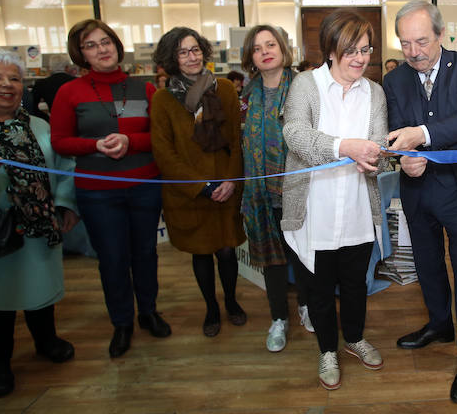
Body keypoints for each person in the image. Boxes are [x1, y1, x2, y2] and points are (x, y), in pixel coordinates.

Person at [383, 0, 457, 404]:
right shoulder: (395, 80)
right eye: (405, 43)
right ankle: (439, 324)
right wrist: (404, 157)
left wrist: (420, 135)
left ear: (440, 34)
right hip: (418, 192)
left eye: (421, 41)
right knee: (428, 265)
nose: (413, 51)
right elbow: (395, 129)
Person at [0, 47, 79, 397]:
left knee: (40, 289)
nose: (8, 85)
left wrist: (66, 204)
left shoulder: (38, 125)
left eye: (15, 79)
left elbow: (65, 169)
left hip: (39, 226)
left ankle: (46, 341)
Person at [281, 9, 388, 390]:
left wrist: (375, 157)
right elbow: (295, 134)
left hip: (358, 208)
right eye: (351, 51)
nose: (360, 58)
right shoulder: (306, 86)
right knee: (319, 288)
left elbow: (378, 141)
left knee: (357, 282)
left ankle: (355, 337)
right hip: (316, 208)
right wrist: (344, 146)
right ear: (330, 51)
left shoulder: (374, 91)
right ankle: (328, 349)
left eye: (365, 50)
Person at [51, 19, 170, 359]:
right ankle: (122, 323)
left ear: (117, 45)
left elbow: (158, 138)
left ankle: (148, 311)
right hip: (98, 191)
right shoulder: (69, 92)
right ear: (81, 54)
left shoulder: (144, 89)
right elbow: (60, 141)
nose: (102, 49)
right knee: (113, 259)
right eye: (91, 45)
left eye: (106, 41)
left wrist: (130, 140)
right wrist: (95, 144)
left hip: (145, 186)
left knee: (145, 253)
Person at [150, 28, 247, 337]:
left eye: (195, 50)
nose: (191, 57)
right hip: (190, 193)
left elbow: (235, 139)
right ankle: (211, 308)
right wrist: (200, 186)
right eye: (182, 52)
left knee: (228, 251)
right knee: (201, 252)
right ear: (171, 58)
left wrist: (231, 180)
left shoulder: (225, 90)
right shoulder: (164, 99)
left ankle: (231, 302)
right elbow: (164, 152)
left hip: (225, 186)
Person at [241, 25, 313, 352]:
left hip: (298, 188)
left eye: (271, 44)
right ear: (251, 57)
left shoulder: (303, 86)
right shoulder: (247, 94)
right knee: (272, 260)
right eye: (257, 48)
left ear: (284, 49)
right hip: (260, 193)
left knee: (302, 254)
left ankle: (307, 306)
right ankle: (278, 318)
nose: (265, 51)